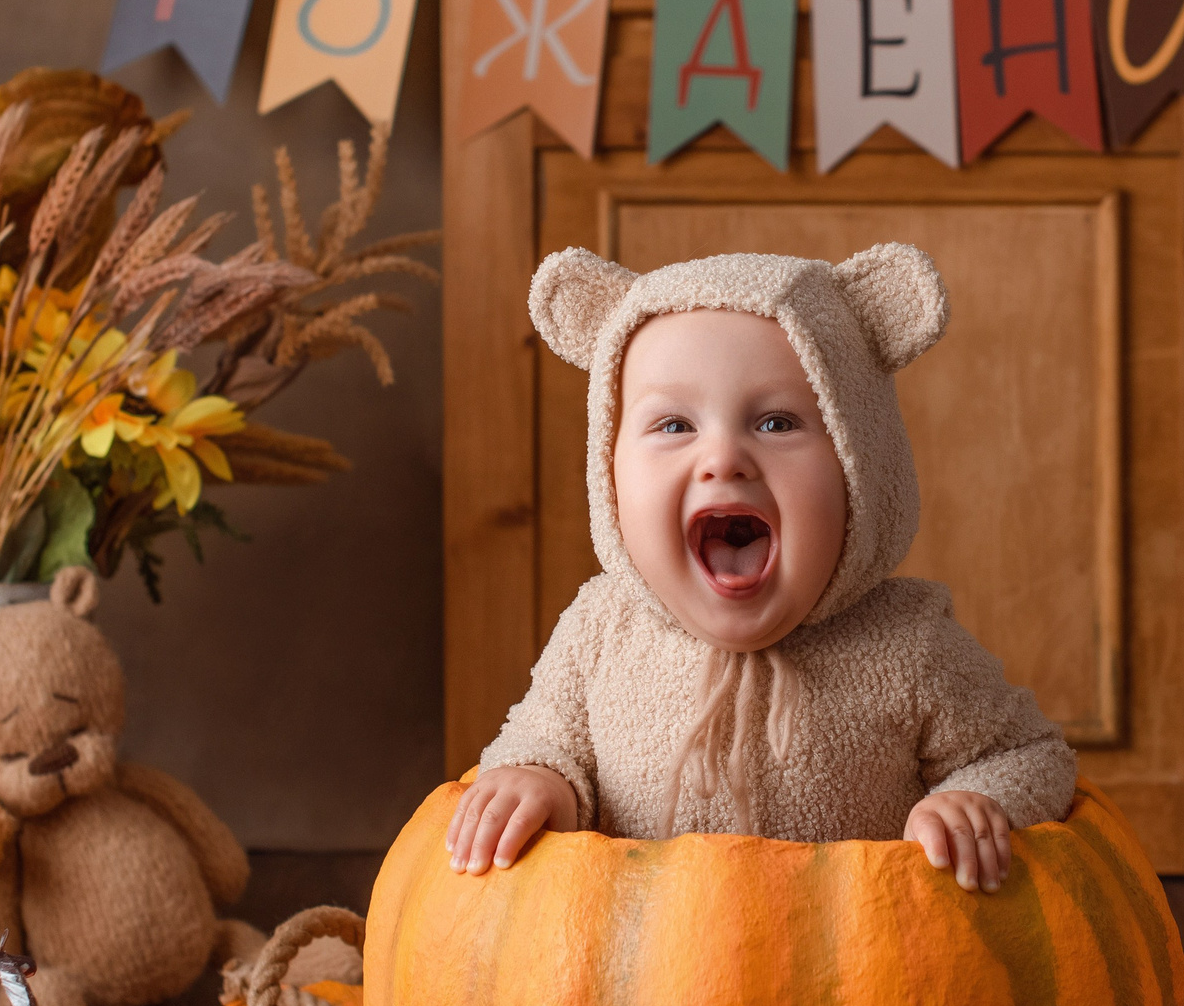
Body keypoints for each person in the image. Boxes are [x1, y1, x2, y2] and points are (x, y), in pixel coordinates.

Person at [443, 243, 1075, 893]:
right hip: (637, 973)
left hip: (856, 971)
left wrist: (973, 800)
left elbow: (1027, 755)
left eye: (776, 422)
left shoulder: (909, 646)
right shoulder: (600, 631)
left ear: (861, 459)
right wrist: (538, 780)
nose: (723, 458)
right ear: (609, 470)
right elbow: (539, 741)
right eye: (674, 424)